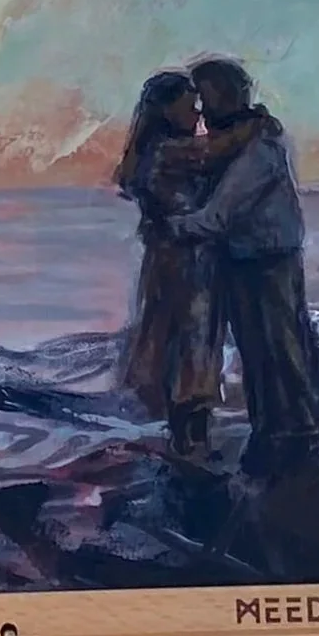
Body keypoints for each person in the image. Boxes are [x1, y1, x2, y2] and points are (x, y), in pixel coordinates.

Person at [171, 57, 319, 476]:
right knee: (262, 353)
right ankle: (277, 433)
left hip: (267, 261)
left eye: (205, 97)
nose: (200, 109)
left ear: (225, 95)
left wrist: (171, 225)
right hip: (249, 260)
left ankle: (296, 436)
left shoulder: (258, 148)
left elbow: (220, 214)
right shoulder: (238, 143)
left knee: (278, 350)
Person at [114, 70, 225, 458]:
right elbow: (221, 150)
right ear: (165, 108)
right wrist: (259, 125)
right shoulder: (175, 151)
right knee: (192, 344)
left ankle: (184, 438)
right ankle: (191, 440)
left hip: (165, 262)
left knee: (172, 343)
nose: (197, 109)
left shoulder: (148, 153)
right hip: (186, 263)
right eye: (188, 102)